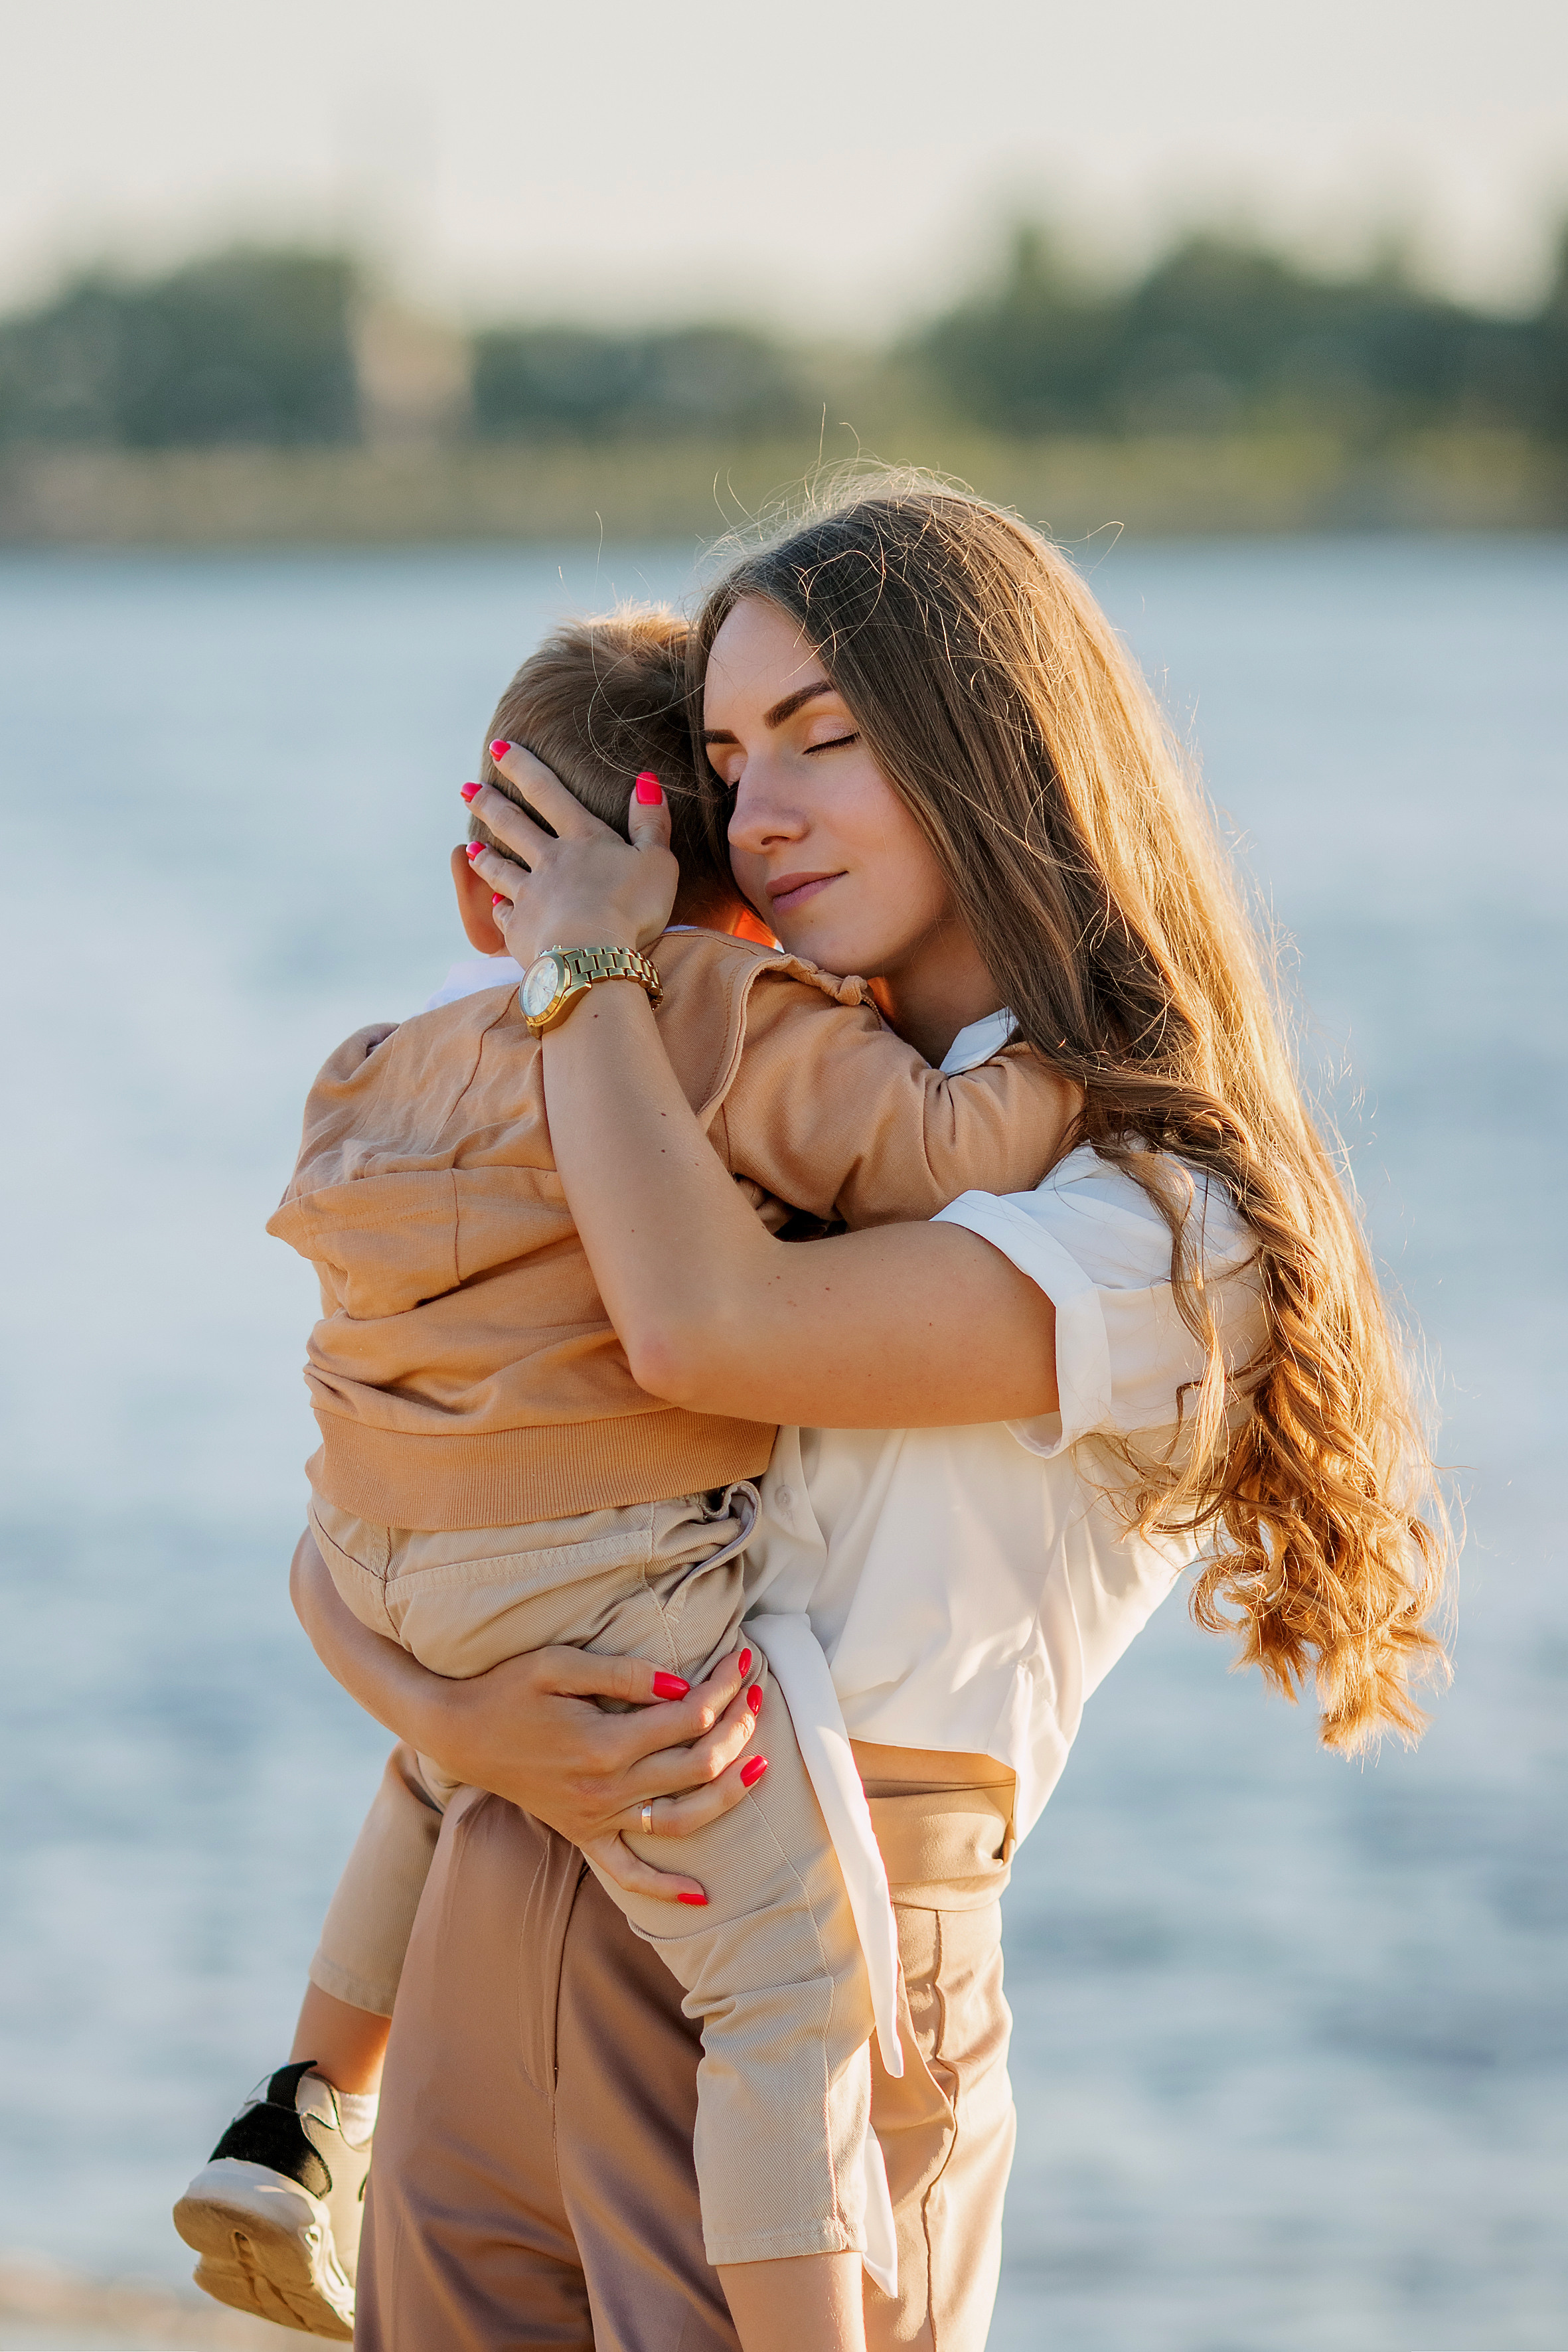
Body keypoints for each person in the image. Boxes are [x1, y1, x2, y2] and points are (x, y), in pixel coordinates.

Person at [289, 477, 1449, 2352]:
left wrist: (588, 965)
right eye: (729, 756)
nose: (759, 810)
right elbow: (392, 1479)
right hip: (505, 1874)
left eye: (825, 737)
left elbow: (699, 1335)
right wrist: (454, 1717)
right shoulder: (735, 1086)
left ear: (999, 742)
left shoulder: (1155, 1214)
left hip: (807, 1947)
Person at [174, 606, 1077, 2343]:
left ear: (478, 884)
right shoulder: (717, 1006)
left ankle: (296, 2113)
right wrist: (1087, 1029)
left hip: (381, 1548)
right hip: (590, 1565)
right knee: (792, 1997)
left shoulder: (374, 1062)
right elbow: (944, 1145)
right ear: (714, 876)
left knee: (437, 1769)